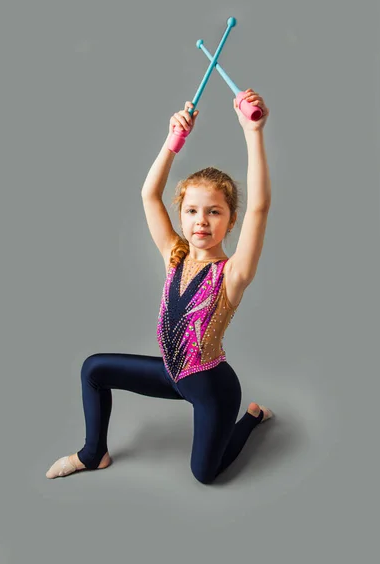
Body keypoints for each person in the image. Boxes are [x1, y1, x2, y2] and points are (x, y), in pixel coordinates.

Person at [46, 89, 274, 484]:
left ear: (231, 221)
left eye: (214, 212)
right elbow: (148, 195)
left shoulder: (233, 273)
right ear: (182, 216)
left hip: (210, 387)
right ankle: (93, 453)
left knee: (206, 474)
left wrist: (252, 132)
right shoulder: (175, 254)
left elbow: (260, 206)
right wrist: (174, 141)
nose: (201, 220)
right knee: (93, 369)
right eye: (191, 211)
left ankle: (251, 418)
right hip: (172, 374)